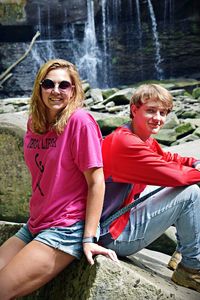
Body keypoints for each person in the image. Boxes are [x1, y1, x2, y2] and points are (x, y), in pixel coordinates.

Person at [0, 59, 117, 299]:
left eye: (64, 85)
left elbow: (96, 182)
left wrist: (89, 238)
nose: (56, 90)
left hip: (65, 229)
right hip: (36, 223)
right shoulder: (35, 122)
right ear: (39, 88)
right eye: (48, 84)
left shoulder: (80, 122)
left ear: (74, 90)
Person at [99, 83, 200, 293]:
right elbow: (175, 175)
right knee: (191, 194)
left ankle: (182, 253)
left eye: (163, 113)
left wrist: (194, 162)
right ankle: (191, 269)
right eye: (151, 111)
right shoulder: (125, 143)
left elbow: (168, 158)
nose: (158, 118)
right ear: (134, 109)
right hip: (111, 234)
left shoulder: (139, 137)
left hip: (120, 213)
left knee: (183, 186)